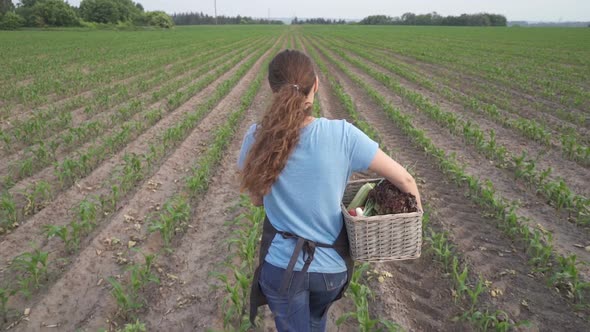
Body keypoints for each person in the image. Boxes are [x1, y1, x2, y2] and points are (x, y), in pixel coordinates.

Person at [237, 49, 422, 332]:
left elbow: (256, 200)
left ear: (272, 88)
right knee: (314, 323)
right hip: (330, 269)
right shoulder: (343, 134)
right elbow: (406, 182)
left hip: (281, 269)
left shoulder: (255, 137)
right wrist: (412, 220)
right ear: (316, 85)